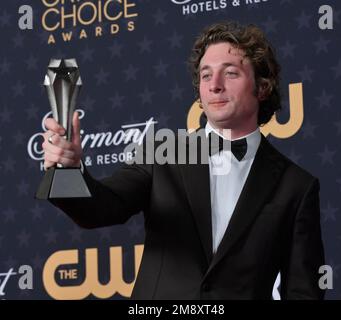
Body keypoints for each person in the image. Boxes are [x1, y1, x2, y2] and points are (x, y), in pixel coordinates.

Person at [41, 22, 325, 299]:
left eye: (230, 73)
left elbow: (303, 291)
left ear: (262, 87)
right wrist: (68, 170)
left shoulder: (295, 186)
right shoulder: (164, 152)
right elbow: (99, 209)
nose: (214, 85)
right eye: (205, 75)